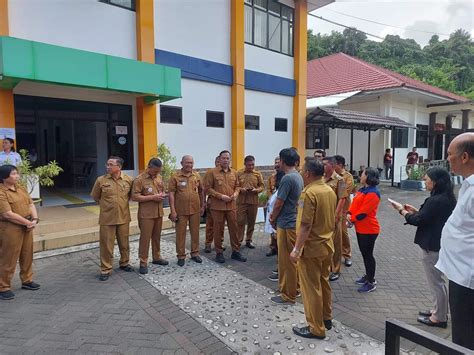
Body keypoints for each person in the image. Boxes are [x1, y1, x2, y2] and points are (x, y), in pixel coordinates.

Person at [390, 167, 455, 328]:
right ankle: (438, 310)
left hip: (431, 246)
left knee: (436, 282)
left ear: (435, 182)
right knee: (437, 281)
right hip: (437, 243)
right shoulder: (445, 198)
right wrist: (417, 211)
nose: (425, 182)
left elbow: (418, 221)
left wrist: (401, 210)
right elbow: (429, 217)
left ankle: (439, 317)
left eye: (426, 179)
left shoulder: (436, 200)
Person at [289, 158, 336, 339]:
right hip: (327, 245)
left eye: (302, 171)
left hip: (312, 248)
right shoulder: (328, 190)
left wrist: (296, 249)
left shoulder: (308, 193)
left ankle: (316, 327)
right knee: (323, 283)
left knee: (311, 288)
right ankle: (326, 317)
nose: (301, 173)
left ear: (308, 173)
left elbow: (305, 225)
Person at [435, 132, 474, 350]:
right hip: (460, 273)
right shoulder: (467, 185)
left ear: (465, 157)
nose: (447, 158)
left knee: (464, 337)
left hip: (468, 278)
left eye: (450, 154)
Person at [269, 148, 304, 305]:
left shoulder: (287, 178)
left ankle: (288, 294)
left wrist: (272, 218)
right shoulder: (298, 175)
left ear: (282, 161)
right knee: (291, 260)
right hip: (292, 222)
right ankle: (294, 288)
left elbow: (279, 203)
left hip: (286, 222)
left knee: (286, 261)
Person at [0, 165, 40, 300]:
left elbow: (31, 204)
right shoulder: (2, 192)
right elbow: (7, 214)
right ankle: (3, 286)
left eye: (17, 173)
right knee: (9, 257)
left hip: (27, 226)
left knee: (27, 254)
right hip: (11, 229)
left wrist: (34, 219)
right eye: (13, 174)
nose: (17, 176)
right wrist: (27, 223)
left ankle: (27, 280)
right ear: (4, 177)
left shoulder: (20, 188)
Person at [91, 156, 133, 281]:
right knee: (106, 245)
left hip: (123, 217)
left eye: (110, 165)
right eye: (107, 164)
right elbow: (95, 197)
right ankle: (105, 269)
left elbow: (130, 196)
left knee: (124, 243)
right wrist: (107, 206)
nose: (107, 167)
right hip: (107, 218)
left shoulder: (128, 180)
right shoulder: (101, 180)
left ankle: (124, 263)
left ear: (119, 167)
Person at [205, 150, 246, 263]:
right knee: (218, 230)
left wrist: (236, 194)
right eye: (224, 158)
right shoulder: (211, 173)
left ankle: (236, 251)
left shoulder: (234, 172)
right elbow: (208, 189)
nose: (226, 160)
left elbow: (237, 186)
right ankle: (219, 252)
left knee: (234, 229)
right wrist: (220, 196)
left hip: (231, 206)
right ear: (219, 159)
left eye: (228, 158)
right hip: (217, 206)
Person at [131, 158, 169, 275]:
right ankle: (143, 262)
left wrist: (162, 194)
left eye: (158, 171)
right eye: (155, 171)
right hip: (146, 214)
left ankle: (156, 257)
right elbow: (135, 197)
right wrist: (152, 197)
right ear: (149, 167)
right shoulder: (139, 180)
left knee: (157, 236)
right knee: (145, 238)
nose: (157, 174)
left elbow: (162, 190)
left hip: (158, 212)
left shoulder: (159, 177)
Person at [347, 167, 381, 293]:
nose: (360, 176)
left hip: (369, 229)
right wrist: (349, 213)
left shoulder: (373, 193)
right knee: (365, 254)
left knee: (368, 255)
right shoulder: (363, 190)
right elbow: (355, 205)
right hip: (361, 228)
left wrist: (351, 219)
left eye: (362, 174)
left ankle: (371, 281)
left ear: (368, 176)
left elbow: (363, 213)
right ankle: (368, 276)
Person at [169, 155, 205, 267]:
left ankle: (195, 253)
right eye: (187, 162)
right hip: (181, 210)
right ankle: (181, 256)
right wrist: (173, 211)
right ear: (181, 163)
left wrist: (203, 205)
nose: (189, 165)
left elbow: (201, 191)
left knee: (195, 232)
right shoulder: (175, 177)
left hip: (195, 209)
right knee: (180, 234)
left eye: (191, 162)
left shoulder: (197, 176)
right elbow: (171, 194)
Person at [322, 156, 346, 281]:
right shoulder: (321, 178)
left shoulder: (339, 180)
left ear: (332, 165)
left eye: (325, 164)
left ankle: (336, 269)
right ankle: (325, 267)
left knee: (336, 243)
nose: (323, 166)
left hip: (333, 216)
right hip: (322, 216)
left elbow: (342, 198)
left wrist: (336, 216)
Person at [237, 155, 264, 249]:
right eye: (249, 165)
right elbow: (235, 186)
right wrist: (241, 189)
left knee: (251, 222)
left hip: (253, 201)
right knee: (240, 221)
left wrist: (256, 190)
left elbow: (262, 186)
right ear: (245, 164)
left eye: (253, 165)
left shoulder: (257, 174)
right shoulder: (239, 173)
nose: (251, 167)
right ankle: (238, 241)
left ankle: (249, 240)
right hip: (241, 201)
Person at [334, 155, 355, 268]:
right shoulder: (331, 176)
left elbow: (344, 193)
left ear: (340, 165)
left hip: (343, 209)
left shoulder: (348, 177)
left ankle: (347, 255)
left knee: (342, 232)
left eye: (334, 164)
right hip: (332, 207)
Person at [266, 170, 285, 282]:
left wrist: (273, 222)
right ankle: (280, 269)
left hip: (279, 223)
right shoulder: (277, 191)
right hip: (275, 223)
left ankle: (282, 272)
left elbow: (277, 206)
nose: (273, 181)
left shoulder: (281, 192)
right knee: (279, 249)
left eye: (275, 179)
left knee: (282, 250)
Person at [204, 156, 221, 253]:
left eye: (220, 161)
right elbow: (204, 188)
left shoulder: (228, 173)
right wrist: (204, 202)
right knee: (210, 225)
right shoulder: (210, 173)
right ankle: (208, 243)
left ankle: (220, 243)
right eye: (217, 161)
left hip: (223, 204)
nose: (219, 164)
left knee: (220, 225)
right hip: (212, 202)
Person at [266, 157, 281, 257]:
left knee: (277, 227)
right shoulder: (272, 177)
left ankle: (279, 248)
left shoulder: (284, 176)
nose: (277, 164)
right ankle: (273, 247)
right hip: (272, 204)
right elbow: (268, 190)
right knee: (271, 228)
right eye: (275, 162)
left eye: (278, 163)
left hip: (279, 204)